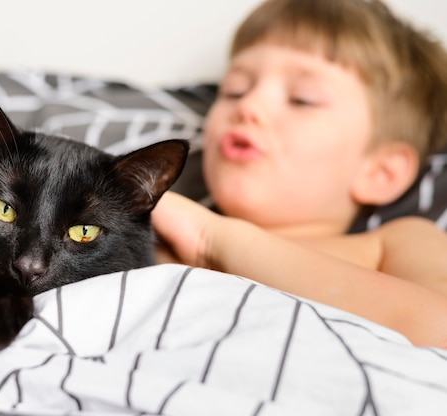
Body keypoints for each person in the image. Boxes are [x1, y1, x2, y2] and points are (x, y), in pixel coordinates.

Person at [151, 0, 447, 348]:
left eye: (302, 99)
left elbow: (438, 329)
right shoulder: (159, 239)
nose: (248, 106)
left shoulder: (397, 243)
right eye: (234, 91)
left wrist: (209, 238)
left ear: (381, 172)